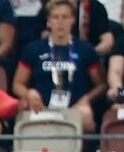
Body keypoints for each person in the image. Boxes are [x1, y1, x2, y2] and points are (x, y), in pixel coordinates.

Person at [13, 0, 106, 132]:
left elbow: (101, 85)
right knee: (23, 107)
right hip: (42, 106)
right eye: (55, 17)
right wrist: (30, 93)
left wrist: (86, 99)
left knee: (85, 114)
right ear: (49, 20)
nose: (60, 22)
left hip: (75, 107)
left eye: (65, 17)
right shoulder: (34, 49)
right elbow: (17, 84)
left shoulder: (85, 50)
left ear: (73, 20)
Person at [38, 0, 115, 56]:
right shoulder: (49, 8)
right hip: (52, 57)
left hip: (85, 60)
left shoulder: (95, 7)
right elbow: (40, 40)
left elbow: (107, 41)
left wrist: (88, 54)